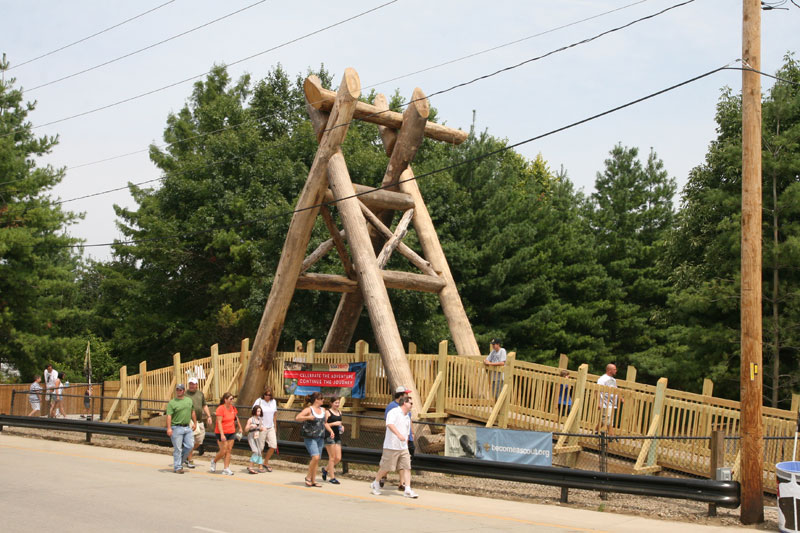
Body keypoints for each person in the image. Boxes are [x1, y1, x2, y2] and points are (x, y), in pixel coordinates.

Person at [370, 396, 418, 498]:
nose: (412, 405)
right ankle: (376, 482)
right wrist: (398, 435)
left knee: (407, 467)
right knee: (386, 467)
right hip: (391, 446)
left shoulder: (407, 416)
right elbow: (390, 424)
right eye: (411, 403)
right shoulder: (394, 412)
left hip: (403, 447)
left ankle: (408, 489)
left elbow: (407, 429)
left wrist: (408, 438)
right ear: (404, 403)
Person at [381, 385, 414, 490]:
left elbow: (409, 419)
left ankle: (402, 483)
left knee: (404, 463)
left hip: (406, 439)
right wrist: (398, 435)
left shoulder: (407, 406)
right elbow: (389, 423)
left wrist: (412, 433)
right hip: (395, 440)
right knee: (390, 462)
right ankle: (381, 477)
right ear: (401, 395)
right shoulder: (392, 406)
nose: (408, 396)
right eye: (406, 394)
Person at [295, 392, 326, 487]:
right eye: (321, 398)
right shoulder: (309, 409)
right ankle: (308, 477)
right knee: (315, 457)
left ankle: (313, 480)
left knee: (317, 459)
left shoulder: (323, 410)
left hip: (320, 437)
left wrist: (331, 431)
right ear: (316, 400)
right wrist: (308, 417)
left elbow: (325, 423)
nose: (323, 400)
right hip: (310, 437)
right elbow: (298, 417)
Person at [166, 383, 196, 473]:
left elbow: (192, 412)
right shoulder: (172, 402)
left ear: (183, 391)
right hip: (176, 427)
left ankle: (181, 461)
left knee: (190, 445)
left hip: (187, 427)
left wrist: (195, 423)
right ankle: (178, 467)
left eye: (180, 390)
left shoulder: (189, 401)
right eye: (177, 390)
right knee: (178, 448)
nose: (178, 391)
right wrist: (169, 428)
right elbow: (169, 416)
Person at [210, 392, 242, 476]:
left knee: (229, 450)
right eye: (230, 399)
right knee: (223, 450)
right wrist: (222, 434)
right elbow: (219, 422)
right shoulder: (220, 409)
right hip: (221, 432)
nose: (232, 400)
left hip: (231, 431)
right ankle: (214, 461)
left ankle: (226, 468)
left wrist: (240, 427)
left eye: (233, 399)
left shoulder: (233, 408)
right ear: (225, 400)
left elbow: (236, 418)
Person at [184, 377, 212, 469]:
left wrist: (208, 416)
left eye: (193, 384)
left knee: (199, 441)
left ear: (196, 385)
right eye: (190, 384)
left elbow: (204, 405)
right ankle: (189, 459)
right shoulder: (185, 394)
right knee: (191, 441)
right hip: (189, 421)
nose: (191, 386)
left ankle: (186, 454)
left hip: (199, 420)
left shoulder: (200, 394)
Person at [252, 388, 278, 472]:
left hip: (270, 427)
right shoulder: (259, 401)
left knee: (273, 445)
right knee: (261, 447)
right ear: (263, 395)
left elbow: (274, 414)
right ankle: (259, 465)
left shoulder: (273, 402)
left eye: (269, 395)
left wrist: (275, 426)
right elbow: (254, 413)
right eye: (266, 395)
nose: (268, 396)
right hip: (261, 427)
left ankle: (266, 462)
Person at [595, 363, 623, 436]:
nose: (616, 371)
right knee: (608, 420)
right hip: (605, 402)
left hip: (612, 403)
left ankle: (596, 431)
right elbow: (597, 390)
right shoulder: (602, 379)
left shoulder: (613, 380)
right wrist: (598, 403)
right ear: (610, 370)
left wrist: (621, 398)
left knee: (605, 419)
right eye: (614, 369)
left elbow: (616, 390)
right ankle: (611, 435)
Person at [322, 397, 344, 485]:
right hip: (329, 435)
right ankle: (332, 477)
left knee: (338, 458)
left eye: (338, 403)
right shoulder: (327, 412)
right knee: (332, 457)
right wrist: (333, 424)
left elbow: (340, 424)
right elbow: (324, 424)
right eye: (335, 403)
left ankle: (325, 469)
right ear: (331, 403)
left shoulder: (339, 412)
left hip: (337, 435)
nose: (337, 404)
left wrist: (342, 427)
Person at [245, 405, 266, 474]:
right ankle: (250, 467)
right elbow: (246, 429)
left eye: (260, 411)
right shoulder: (251, 419)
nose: (259, 412)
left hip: (257, 436)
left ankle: (259, 467)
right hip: (251, 436)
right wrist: (250, 426)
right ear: (254, 411)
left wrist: (262, 429)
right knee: (255, 451)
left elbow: (260, 428)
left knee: (259, 451)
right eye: (257, 411)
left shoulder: (260, 420)